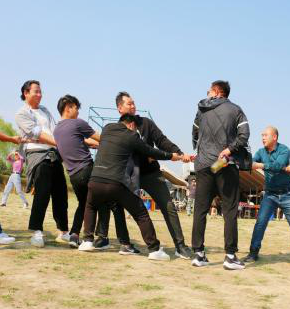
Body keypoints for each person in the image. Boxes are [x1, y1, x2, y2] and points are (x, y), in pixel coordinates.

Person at [76, 113, 184, 260]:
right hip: (117, 182)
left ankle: (87, 241)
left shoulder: (107, 129)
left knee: (90, 206)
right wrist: (172, 156)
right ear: (132, 125)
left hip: (96, 180)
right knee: (141, 214)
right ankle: (154, 249)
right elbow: (150, 151)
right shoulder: (132, 136)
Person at [115, 91, 192, 258]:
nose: (133, 106)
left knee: (169, 206)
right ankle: (125, 244)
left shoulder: (146, 123)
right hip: (129, 175)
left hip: (151, 174)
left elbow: (161, 140)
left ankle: (180, 246)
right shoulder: (117, 129)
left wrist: (178, 152)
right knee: (118, 205)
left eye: (134, 103)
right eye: (129, 104)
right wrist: (146, 155)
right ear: (120, 108)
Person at [52, 94, 132, 250]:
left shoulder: (57, 130)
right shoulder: (77, 123)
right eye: (76, 108)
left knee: (84, 204)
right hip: (87, 169)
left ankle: (74, 235)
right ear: (68, 107)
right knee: (104, 201)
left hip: (73, 175)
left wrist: (92, 145)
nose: (78, 112)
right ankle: (102, 238)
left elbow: (77, 142)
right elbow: (103, 138)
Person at [190, 79, 251, 269]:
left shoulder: (201, 110)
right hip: (223, 162)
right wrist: (230, 149)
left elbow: (194, 135)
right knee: (229, 210)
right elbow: (244, 136)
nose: (207, 93)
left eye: (209, 90)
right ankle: (230, 256)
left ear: (217, 92)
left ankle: (199, 254)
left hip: (203, 164)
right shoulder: (236, 110)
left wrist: (201, 152)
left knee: (200, 209)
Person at [15, 80, 71, 247]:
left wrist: (65, 140)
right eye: (36, 91)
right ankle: (37, 231)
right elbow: (37, 134)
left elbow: (54, 129)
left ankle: (63, 231)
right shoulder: (21, 114)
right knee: (42, 193)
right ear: (26, 93)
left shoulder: (45, 110)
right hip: (37, 154)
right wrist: (59, 142)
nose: (39, 95)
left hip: (53, 153)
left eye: (40, 91)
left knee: (61, 193)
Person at [245, 126, 290, 263]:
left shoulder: (284, 150)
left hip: (288, 194)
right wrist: (241, 160)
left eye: (265, 135)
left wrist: (260, 165)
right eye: (262, 135)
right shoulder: (261, 152)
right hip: (270, 195)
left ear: (274, 137)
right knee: (260, 223)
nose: (263, 138)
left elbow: (278, 166)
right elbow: (251, 163)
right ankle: (253, 253)